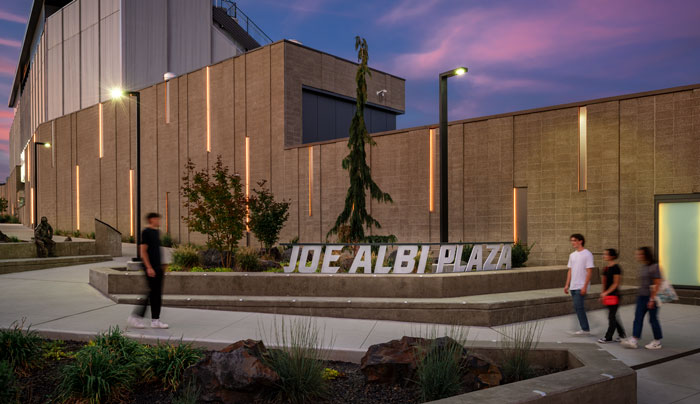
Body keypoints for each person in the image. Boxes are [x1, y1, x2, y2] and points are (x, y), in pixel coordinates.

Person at [127, 213, 168, 329]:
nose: (159, 221)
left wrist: (162, 265)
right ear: (151, 220)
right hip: (150, 268)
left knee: (157, 294)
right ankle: (135, 317)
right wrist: (149, 267)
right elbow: (143, 251)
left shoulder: (156, 232)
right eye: (157, 219)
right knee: (151, 293)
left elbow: (156, 251)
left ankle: (155, 320)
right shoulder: (146, 232)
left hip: (158, 268)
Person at [621, 247, 662, 350]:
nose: (637, 256)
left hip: (651, 298)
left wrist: (652, 299)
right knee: (638, 318)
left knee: (653, 320)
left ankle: (657, 341)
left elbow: (657, 284)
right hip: (641, 296)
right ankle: (634, 339)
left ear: (646, 255)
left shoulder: (654, 267)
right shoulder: (643, 266)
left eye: (639, 254)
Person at [564, 233, 594, 335]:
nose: (572, 243)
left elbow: (589, 271)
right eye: (571, 241)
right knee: (578, 307)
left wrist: (585, 286)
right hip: (573, 285)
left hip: (581, 285)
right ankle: (585, 328)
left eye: (574, 240)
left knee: (579, 307)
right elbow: (570, 270)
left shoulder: (587, 254)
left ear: (580, 241)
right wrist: (567, 285)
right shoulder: (572, 255)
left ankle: (585, 329)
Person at [597, 248, 626, 343]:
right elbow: (604, 283)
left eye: (606, 254)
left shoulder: (616, 268)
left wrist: (606, 293)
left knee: (611, 316)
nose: (604, 256)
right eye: (604, 254)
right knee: (613, 316)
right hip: (608, 296)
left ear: (612, 256)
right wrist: (602, 294)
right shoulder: (605, 268)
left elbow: (616, 283)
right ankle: (622, 335)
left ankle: (608, 337)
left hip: (615, 295)